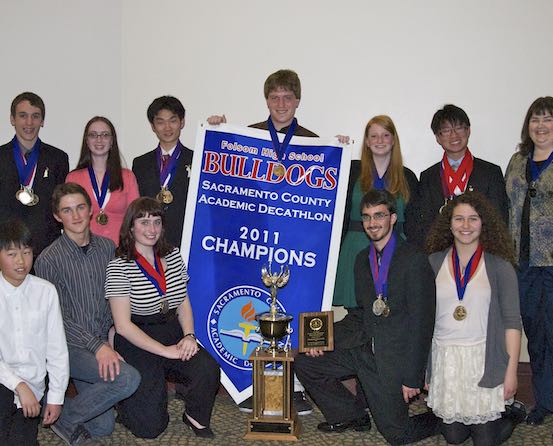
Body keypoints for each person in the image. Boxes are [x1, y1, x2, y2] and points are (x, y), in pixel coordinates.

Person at [208, 68, 347, 415]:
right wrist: (216, 132)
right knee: (258, 309)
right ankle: (254, 382)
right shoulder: (249, 136)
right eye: (275, 98)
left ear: (298, 101)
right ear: (266, 101)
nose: (281, 103)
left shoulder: (314, 142)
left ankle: (294, 386)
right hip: (255, 243)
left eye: (288, 97)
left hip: (296, 243)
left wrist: (340, 153)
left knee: (298, 304)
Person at [295, 189, 438, 445]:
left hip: (392, 359)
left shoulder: (414, 259)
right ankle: (350, 415)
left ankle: (446, 417)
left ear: (393, 218)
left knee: (397, 434)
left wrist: (413, 377)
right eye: (367, 217)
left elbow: (422, 323)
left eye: (379, 216)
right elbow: (361, 315)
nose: (372, 223)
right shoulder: (362, 260)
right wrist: (319, 340)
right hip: (363, 349)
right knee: (307, 363)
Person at [105, 197, 220, 439]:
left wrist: (189, 335)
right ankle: (126, 407)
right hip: (138, 337)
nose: (152, 229)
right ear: (131, 227)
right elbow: (123, 326)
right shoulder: (119, 266)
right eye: (144, 222)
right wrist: (165, 351)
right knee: (149, 428)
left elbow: (183, 302)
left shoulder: (173, 255)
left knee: (207, 368)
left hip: (171, 329)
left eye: (157, 222)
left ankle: (193, 416)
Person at [35, 183, 140, 445]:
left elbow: (114, 298)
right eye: (67, 210)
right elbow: (55, 319)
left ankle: (61, 410)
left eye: (80, 207)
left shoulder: (107, 248)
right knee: (128, 378)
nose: (76, 216)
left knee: (103, 427)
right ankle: (61, 414)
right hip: (65, 347)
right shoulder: (48, 259)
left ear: (91, 209)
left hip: (99, 340)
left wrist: (112, 334)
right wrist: (98, 347)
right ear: (58, 216)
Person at [426, 192, 523, 445]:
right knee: (454, 437)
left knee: (484, 440)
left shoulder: (500, 267)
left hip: (484, 358)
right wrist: (424, 370)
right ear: (449, 223)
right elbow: (421, 322)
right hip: (445, 357)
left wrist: (511, 373)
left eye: (473, 219)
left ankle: (512, 416)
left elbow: (512, 323)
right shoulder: (432, 263)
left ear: (484, 223)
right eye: (459, 219)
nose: (466, 226)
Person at [505, 96, 553, 440]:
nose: (540, 126)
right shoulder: (517, 161)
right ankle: (545, 401)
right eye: (534, 120)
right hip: (523, 265)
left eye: (548, 120)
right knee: (537, 336)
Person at [333, 115, 419, 309]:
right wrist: (336, 150)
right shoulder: (350, 169)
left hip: (396, 249)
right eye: (374, 136)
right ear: (366, 141)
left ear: (394, 140)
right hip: (354, 249)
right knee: (353, 313)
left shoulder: (408, 177)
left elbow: (415, 223)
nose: (380, 141)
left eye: (385, 135)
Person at [0, 220, 69, 446]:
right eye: (12, 254)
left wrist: (56, 398)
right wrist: (18, 385)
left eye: (27, 252)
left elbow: (57, 350)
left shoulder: (46, 291)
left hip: (32, 390)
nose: (21, 261)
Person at [417, 104, 508, 249]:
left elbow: (498, 220)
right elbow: (426, 224)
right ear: (438, 138)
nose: (454, 135)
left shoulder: (491, 173)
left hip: (483, 255)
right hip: (441, 256)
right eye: (446, 131)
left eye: (459, 128)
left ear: (468, 130)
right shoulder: (428, 177)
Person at [0, 92, 69, 257]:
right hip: (5, 249)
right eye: (23, 116)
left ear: (42, 121)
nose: (29, 122)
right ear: (12, 119)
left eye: (35, 116)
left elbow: (61, 206)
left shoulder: (58, 158)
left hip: (46, 250)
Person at [67, 116, 139, 245]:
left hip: (120, 250)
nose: (99, 140)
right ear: (87, 141)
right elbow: (69, 218)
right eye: (93, 135)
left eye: (105, 135)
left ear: (112, 141)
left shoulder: (127, 177)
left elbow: (135, 217)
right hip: (85, 250)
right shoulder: (73, 178)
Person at [132, 96, 193, 248]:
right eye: (160, 122)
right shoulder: (140, 163)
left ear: (182, 122)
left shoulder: (197, 159)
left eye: (173, 121)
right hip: (149, 241)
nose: (167, 128)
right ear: (153, 126)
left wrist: (218, 130)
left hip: (184, 241)